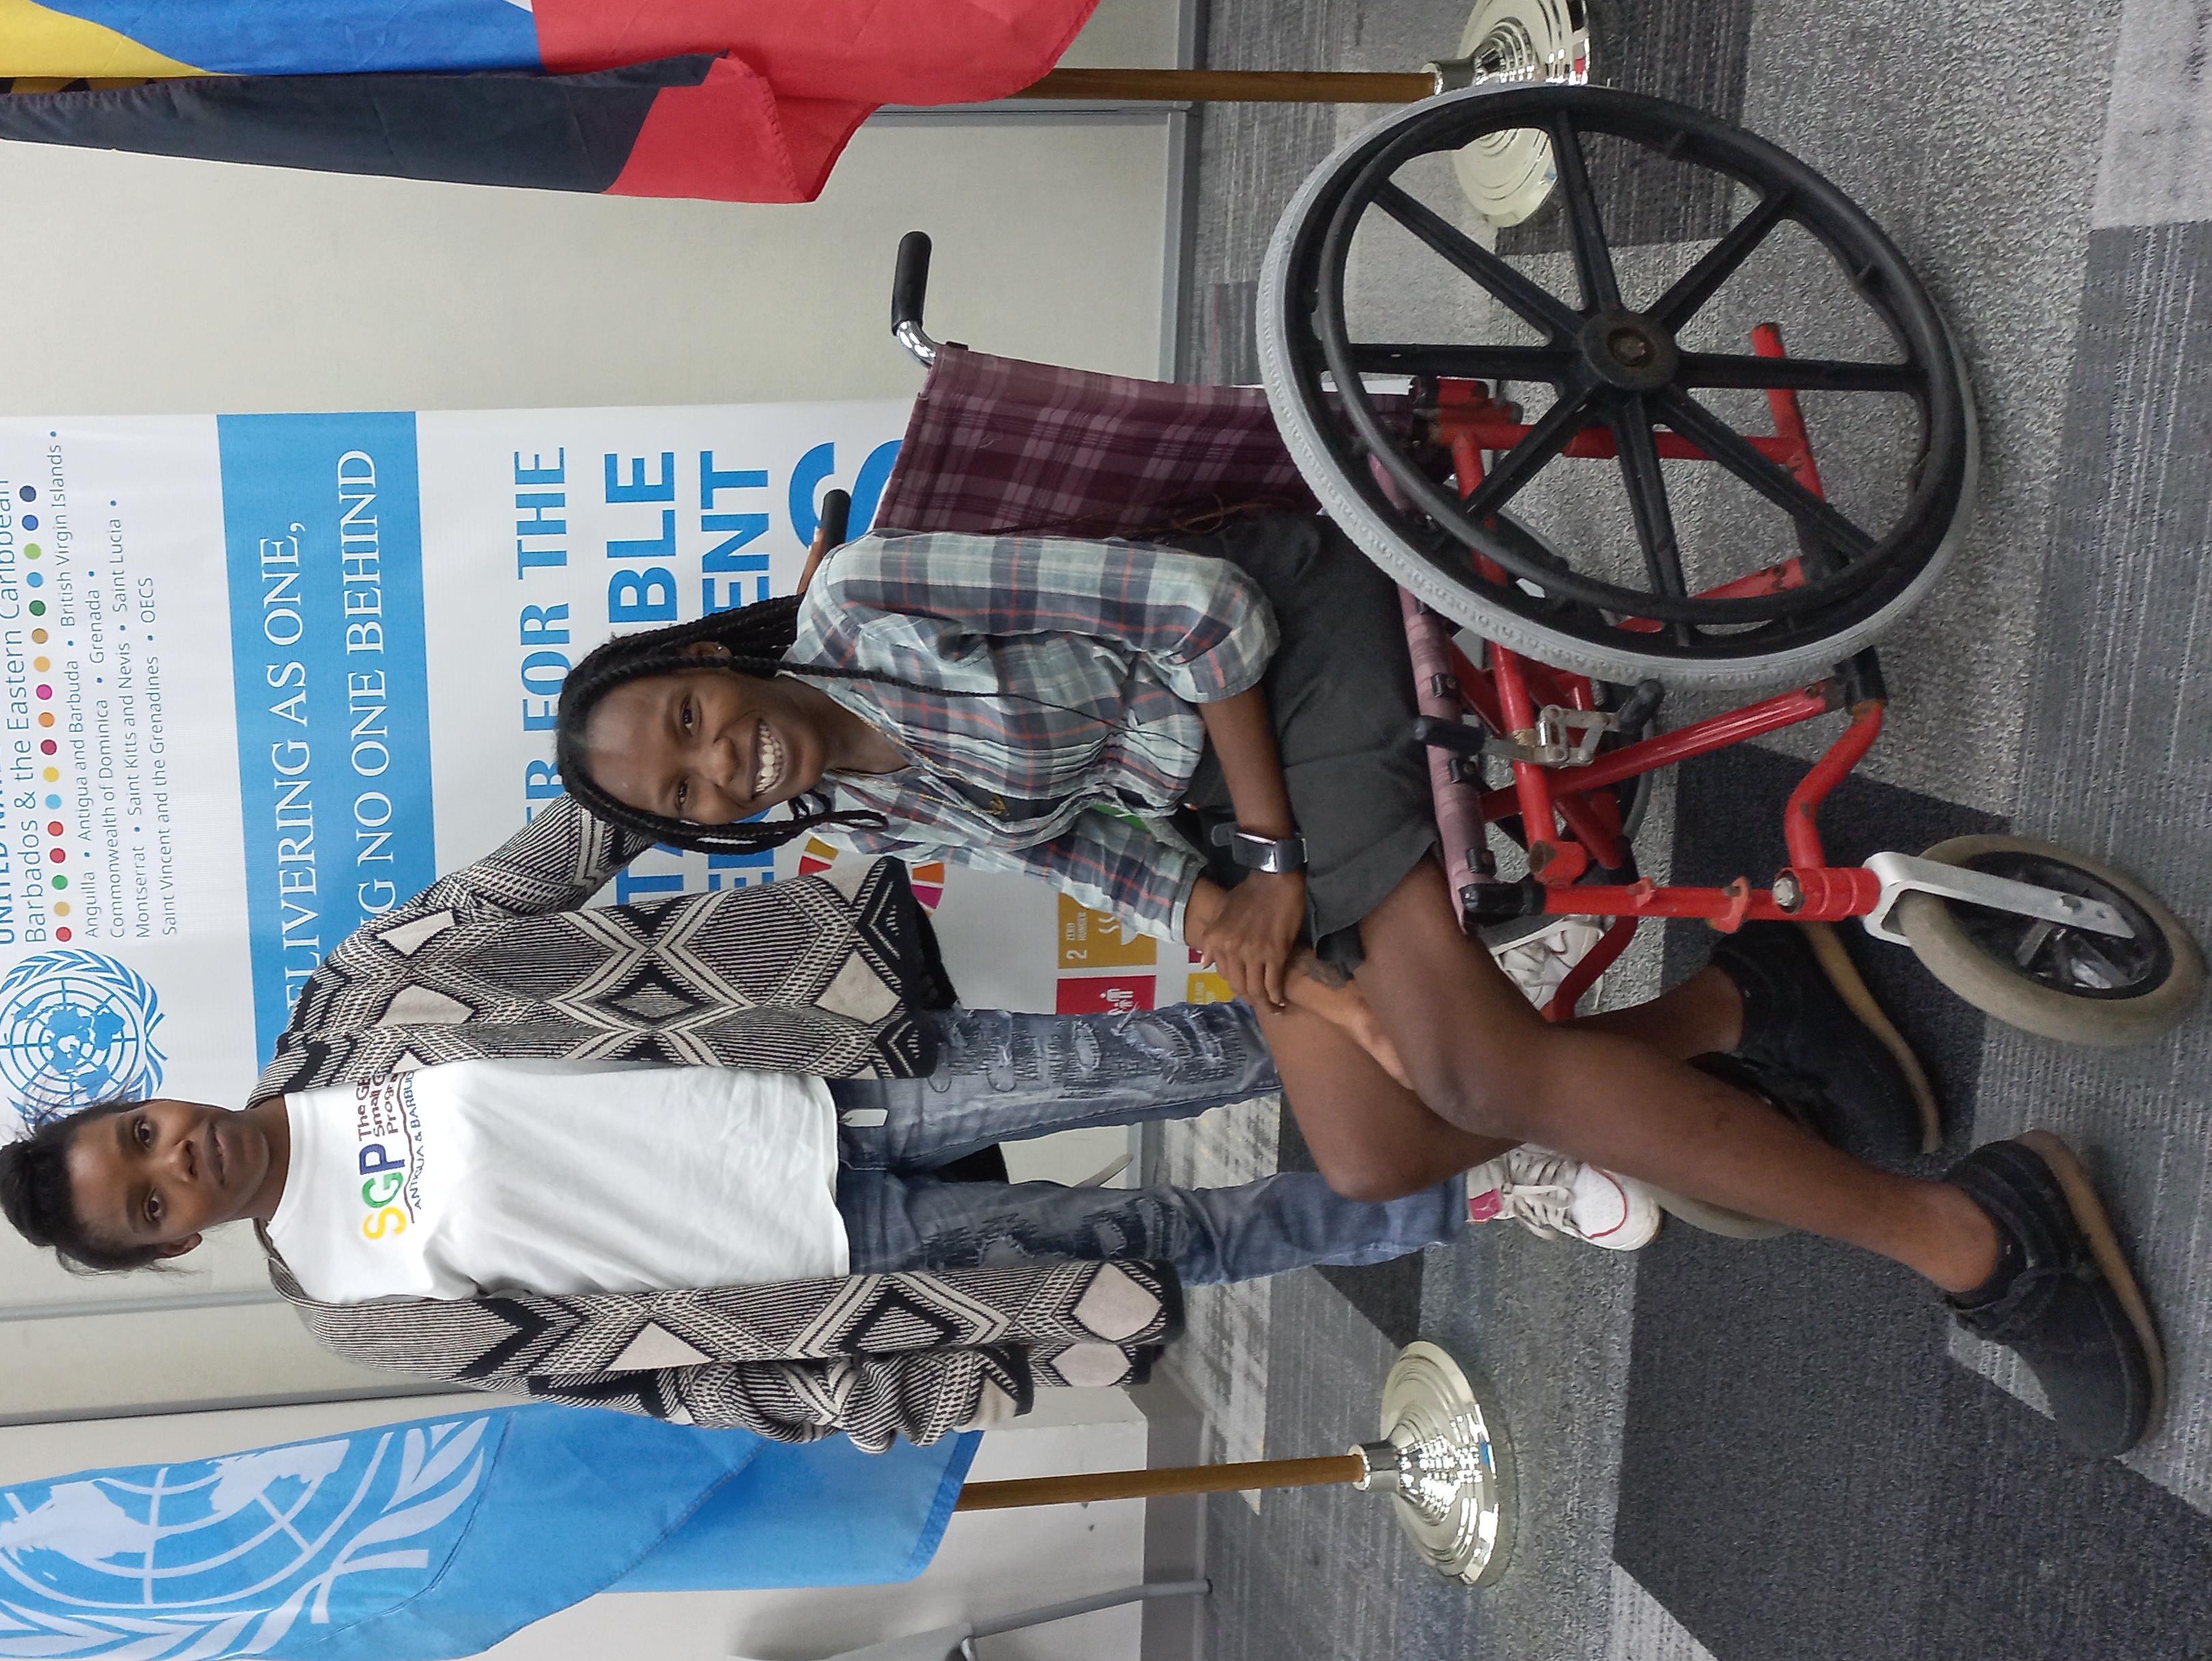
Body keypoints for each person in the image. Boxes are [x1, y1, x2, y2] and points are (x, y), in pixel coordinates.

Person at [551, 514, 2163, 1457]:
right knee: (1376, 1150)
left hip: (1289, 663)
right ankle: (1738, 1011)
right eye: (691, 798)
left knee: (1475, 1077)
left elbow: (1202, 614)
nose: (718, 766)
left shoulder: (865, 605)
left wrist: (1266, 859)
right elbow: (1093, 862)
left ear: (714, 661)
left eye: (688, 720)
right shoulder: (857, 807)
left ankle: (1977, 1238)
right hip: (1223, 821)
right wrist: (1307, 986)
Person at [0, 797, 1633, 1448]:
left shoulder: (356, 1006)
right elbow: (618, 1366)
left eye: (133, 1133)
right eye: (142, 1204)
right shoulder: (354, 1313)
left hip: (834, 1078)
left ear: (149, 1099)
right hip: (844, 1256)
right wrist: (844, 1392)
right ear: (167, 1245)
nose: (165, 1162)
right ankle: (1494, 1189)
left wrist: (676, 730)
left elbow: (542, 871)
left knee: (1199, 1050)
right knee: (1181, 1236)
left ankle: (1488, 1003)